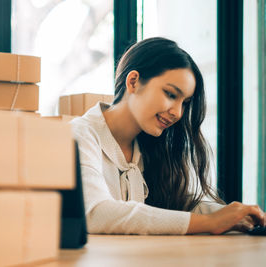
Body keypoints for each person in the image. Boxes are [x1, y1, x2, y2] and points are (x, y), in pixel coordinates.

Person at [71, 37, 265, 235]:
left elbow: (177, 205)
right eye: (171, 95)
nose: (178, 113)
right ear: (133, 82)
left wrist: (234, 215)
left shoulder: (149, 146)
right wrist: (210, 222)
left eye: (184, 102)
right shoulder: (80, 134)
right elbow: (94, 213)